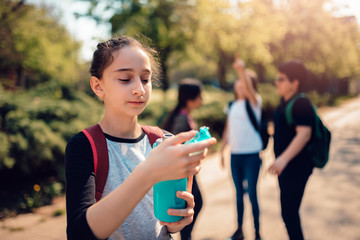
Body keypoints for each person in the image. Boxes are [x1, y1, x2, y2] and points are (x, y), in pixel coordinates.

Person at [65, 36, 216, 240]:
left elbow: (168, 223)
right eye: (125, 79)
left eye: (145, 79)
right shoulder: (84, 146)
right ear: (98, 86)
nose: (140, 89)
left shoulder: (163, 140)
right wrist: (148, 173)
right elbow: (79, 234)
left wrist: (177, 219)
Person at [268, 59, 314, 240]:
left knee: (289, 213)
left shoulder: (302, 103)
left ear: (295, 83)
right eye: (277, 78)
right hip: (286, 169)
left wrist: (282, 160)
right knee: (288, 213)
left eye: (281, 79)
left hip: (297, 167)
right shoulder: (284, 102)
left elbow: (304, 134)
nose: (276, 82)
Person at [220, 54, 263, 240]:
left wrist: (240, 70)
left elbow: (247, 87)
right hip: (235, 156)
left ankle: (257, 232)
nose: (240, 84)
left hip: (252, 155)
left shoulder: (255, 102)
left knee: (252, 195)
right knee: (238, 195)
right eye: (238, 81)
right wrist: (222, 150)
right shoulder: (231, 105)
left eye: (244, 82)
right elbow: (228, 131)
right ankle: (239, 230)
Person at [162, 78, 204, 240]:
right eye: (200, 96)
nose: (202, 100)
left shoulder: (182, 115)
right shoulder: (181, 119)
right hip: (182, 172)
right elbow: (177, 148)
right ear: (190, 98)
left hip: (184, 170)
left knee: (193, 205)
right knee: (194, 204)